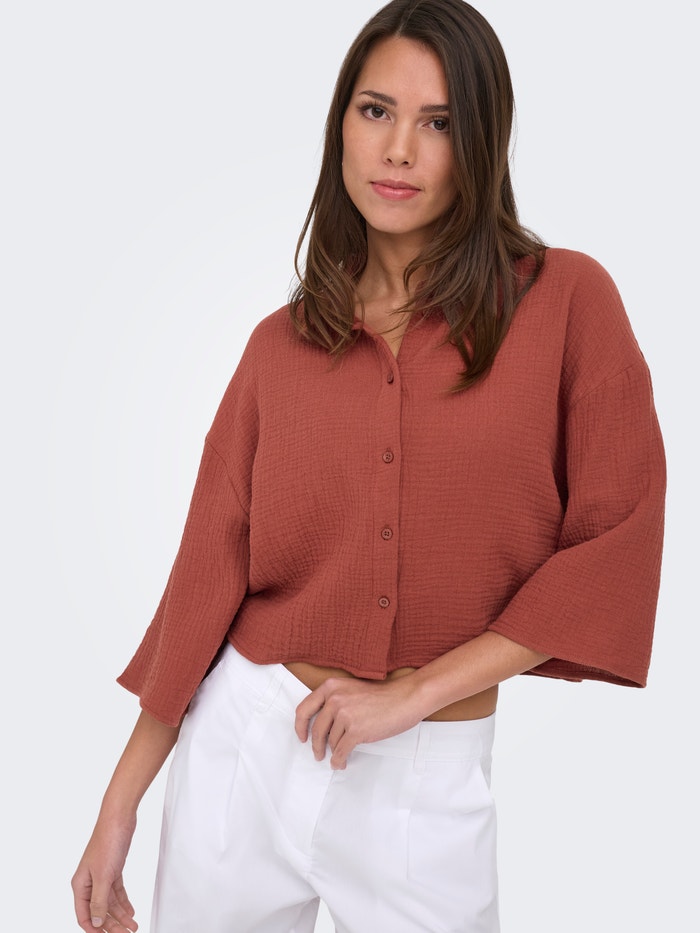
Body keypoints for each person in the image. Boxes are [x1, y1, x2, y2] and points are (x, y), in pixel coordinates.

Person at [71, 0, 666, 930]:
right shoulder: (279, 347)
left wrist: (414, 694)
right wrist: (119, 805)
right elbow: (206, 575)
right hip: (245, 746)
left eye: (439, 123)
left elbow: (615, 539)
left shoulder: (567, 302)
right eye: (376, 110)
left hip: (425, 776)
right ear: (340, 125)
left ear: (482, 143)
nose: (398, 150)